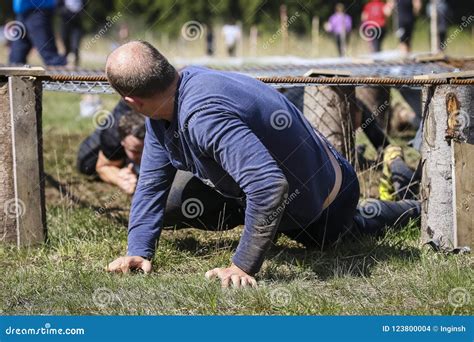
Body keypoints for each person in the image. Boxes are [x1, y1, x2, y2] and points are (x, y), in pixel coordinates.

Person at [104, 41, 420, 287]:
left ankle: (414, 206)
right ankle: (400, 191)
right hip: (267, 190)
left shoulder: (203, 116)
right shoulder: (170, 100)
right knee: (177, 202)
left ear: (132, 102)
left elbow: (269, 186)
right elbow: (152, 183)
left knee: (356, 228)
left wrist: (242, 265)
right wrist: (139, 249)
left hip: (324, 203)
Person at [77, 102, 145, 194]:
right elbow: (103, 166)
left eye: (146, 150)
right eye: (135, 151)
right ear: (123, 142)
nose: (143, 156)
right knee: (87, 164)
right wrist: (121, 179)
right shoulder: (113, 134)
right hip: (122, 119)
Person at [9, 0, 67, 66]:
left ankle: (63, 74)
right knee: (16, 57)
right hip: (22, 12)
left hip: (37, 10)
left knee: (51, 56)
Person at [58, 0, 84, 66]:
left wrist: (81, 12)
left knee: (75, 46)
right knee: (65, 40)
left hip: (77, 21)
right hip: (65, 19)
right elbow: (58, 4)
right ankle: (65, 63)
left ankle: (75, 64)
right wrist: (63, 10)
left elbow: (86, 5)